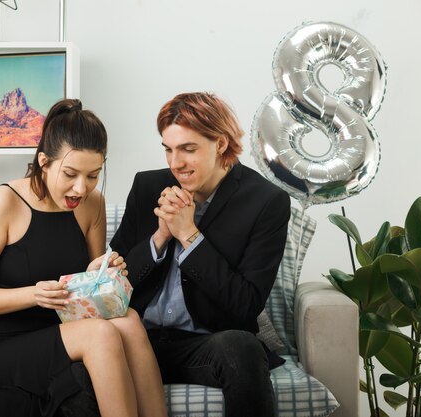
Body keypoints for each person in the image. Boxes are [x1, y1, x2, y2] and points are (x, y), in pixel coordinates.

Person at [0, 98, 167, 417]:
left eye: (93, 175)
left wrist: (100, 270)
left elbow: (91, 294)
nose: (81, 188)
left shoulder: (92, 204)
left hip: (67, 331)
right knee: (100, 334)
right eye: (70, 174)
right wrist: (34, 295)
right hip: (1, 345)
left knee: (129, 320)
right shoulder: (4, 202)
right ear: (44, 161)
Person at [110, 92, 291, 416]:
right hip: (137, 339)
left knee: (241, 348)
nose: (175, 163)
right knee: (78, 365)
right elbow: (113, 281)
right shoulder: (147, 186)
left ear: (220, 144)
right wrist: (162, 235)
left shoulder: (265, 202)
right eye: (169, 149)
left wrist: (188, 235)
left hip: (205, 344)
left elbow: (245, 304)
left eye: (187, 149)